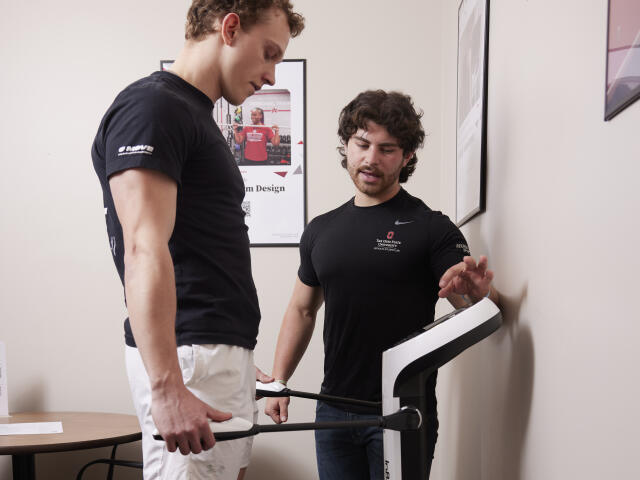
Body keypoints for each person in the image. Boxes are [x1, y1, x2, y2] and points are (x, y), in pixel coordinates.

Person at [91, 2, 304, 479]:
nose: (271, 75)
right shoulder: (154, 106)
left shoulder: (191, 113)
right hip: (190, 358)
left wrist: (233, 354)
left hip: (208, 354)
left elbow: (198, 249)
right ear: (230, 28)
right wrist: (168, 384)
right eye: (268, 53)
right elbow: (144, 246)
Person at [264, 90, 500, 479]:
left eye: (387, 149)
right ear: (347, 146)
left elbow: (464, 297)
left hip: (402, 410)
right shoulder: (321, 230)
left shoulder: (432, 228)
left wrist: (478, 298)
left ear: (407, 157)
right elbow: (303, 310)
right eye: (362, 144)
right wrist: (279, 380)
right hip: (332, 410)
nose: (371, 159)